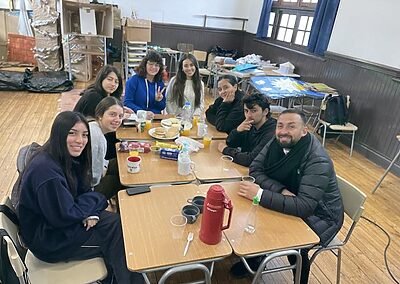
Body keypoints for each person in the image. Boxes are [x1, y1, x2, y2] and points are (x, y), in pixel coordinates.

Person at [17, 111, 144, 283]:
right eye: (72, 133)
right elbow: (64, 216)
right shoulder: (47, 173)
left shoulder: (63, 156)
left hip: (60, 222)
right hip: (50, 240)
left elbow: (83, 190)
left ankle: (116, 278)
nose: (80, 140)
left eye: (84, 135)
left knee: (117, 225)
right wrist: (97, 202)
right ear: (58, 134)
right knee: (121, 238)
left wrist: (92, 212)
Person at [230, 109, 344, 283]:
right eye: (280, 126)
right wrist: (281, 190)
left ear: (304, 131)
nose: (283, 131)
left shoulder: (317, 159)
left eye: (291, 126)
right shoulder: (276, 142)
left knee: (296, 244)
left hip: (321, 215)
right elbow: (255, 169)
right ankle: (257, 258)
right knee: (258, 214)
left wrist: (260, 194)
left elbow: (305, 206)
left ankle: (300, 279)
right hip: (294, 197)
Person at [74, 65, 130, 160]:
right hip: (84, 142)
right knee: (121, 150)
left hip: (92, 136)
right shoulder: (94, 97)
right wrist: (122, 117)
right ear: (101, 79)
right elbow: (103, 123)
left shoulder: (103, 94)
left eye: (116, 82)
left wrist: (121, 109)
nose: (113, 84)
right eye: (109, 79)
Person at [217, 92, 276, 167]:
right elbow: (230, 143)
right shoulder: (250, 123)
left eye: (254, 111)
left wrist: (226, 150)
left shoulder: (271, 133)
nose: (249, 115)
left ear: (265, 111)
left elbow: (251, 159)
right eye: (246, 111)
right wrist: (237, 131)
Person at [90, 97, 124, 199]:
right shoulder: (97, 137)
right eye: (112, 114)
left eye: (120, 116)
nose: (117, 119)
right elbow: (94, 178)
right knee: (119, 180)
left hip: (88, 175)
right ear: (100, 115)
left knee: (121, 163)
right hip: (85, 188)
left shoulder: (93, 125)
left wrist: (104, 168)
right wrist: (103, 172)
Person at [124, 51, 166, 116]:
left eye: (157, 65)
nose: (153, 67)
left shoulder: (160, 84)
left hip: (155, 118)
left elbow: (162, 107)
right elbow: (127, 103)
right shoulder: (134, 81)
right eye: (151, 64)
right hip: (136, 118)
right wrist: (143, 113)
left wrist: (158, 101)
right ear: (145, 64)